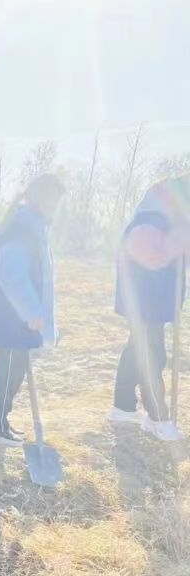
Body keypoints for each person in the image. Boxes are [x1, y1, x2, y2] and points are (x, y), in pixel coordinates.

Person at [0, 174, 67, 445]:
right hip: (10, 317)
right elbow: (11, 271)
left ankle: (0, 420)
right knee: (9, 370)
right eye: (54, 198)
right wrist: (32, 311)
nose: (56, 205)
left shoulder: (31, 224)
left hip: (15, 317)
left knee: (14, 369)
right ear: (41, 197)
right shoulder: (24, 227)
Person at [110, 174, 190, 441]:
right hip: (145, 302)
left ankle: (123, 407)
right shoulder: (148, 223)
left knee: (137, 349)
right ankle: (157, 417)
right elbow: (154, 258)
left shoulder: (166, 223)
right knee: (152, 356)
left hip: (151, 303)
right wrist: (180, 237)